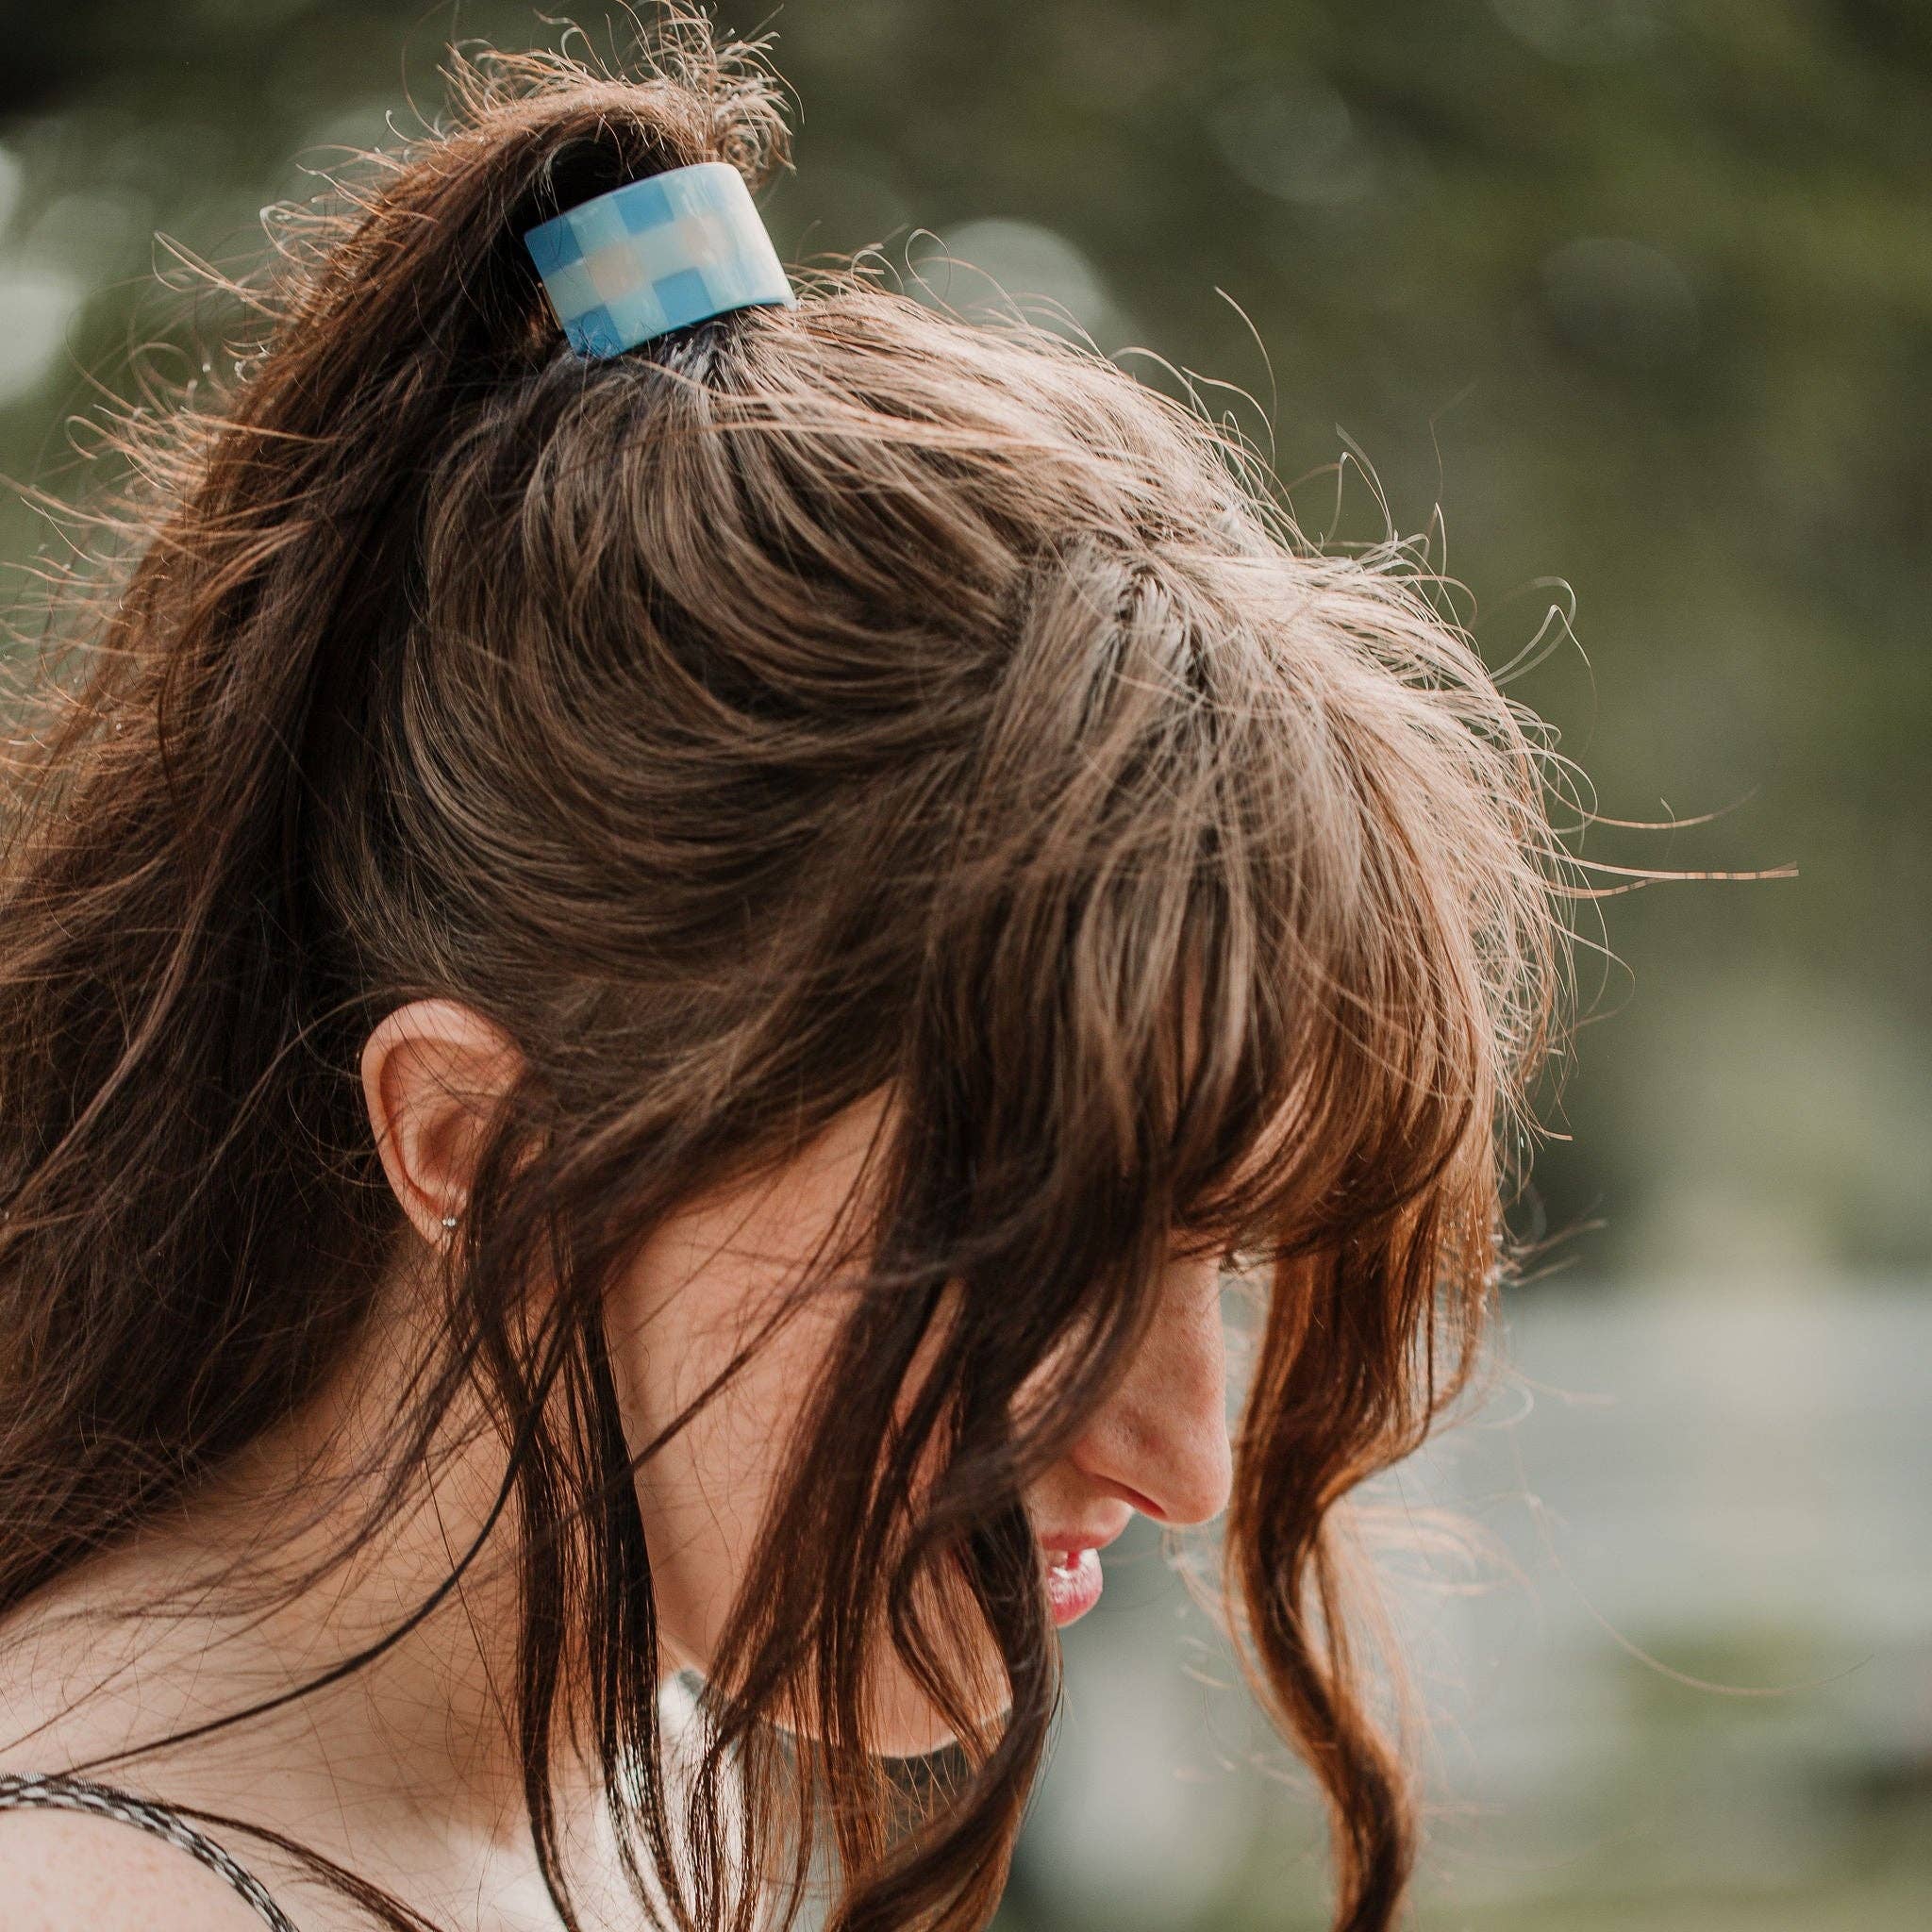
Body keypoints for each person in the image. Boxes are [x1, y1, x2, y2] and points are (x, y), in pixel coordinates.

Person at [0, 12, 1575, 1931]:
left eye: (1220, 1260)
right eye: (1049, 1248)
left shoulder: (654, 1788)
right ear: (479, 1145)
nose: (1189, 1456)